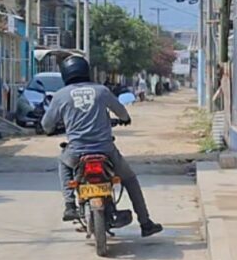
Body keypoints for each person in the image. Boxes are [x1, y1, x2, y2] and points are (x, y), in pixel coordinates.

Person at [42, 56, 163, 237]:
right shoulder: (101, 91)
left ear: (65, 74)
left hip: (76, 151)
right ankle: (145, 223)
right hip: (105, 150)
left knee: (63, 163)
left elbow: (47, 124)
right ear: (86, 71)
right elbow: (121, 111)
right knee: (129, 179)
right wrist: (124, 119)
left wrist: (51, 129)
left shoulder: (61, 95)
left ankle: (69, 205)